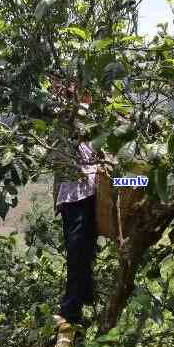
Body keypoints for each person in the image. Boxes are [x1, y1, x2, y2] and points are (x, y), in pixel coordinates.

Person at [52, 99, 99, 325]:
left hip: (86, 191)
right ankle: (83, 298)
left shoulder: (87, 115)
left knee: (78, 250)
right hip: (72, 193)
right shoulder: (63, 117)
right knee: (79, 250)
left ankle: (72, 308)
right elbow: (58, 164)